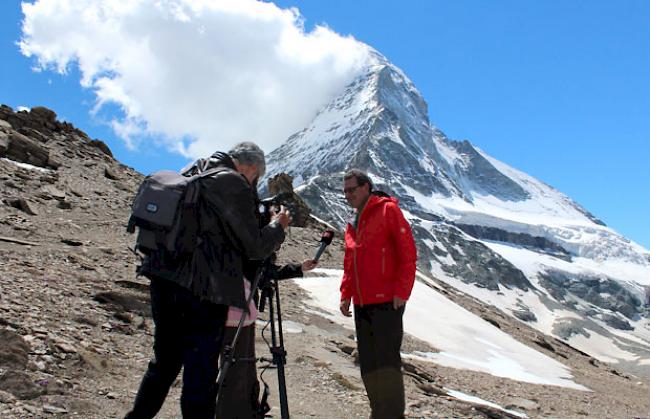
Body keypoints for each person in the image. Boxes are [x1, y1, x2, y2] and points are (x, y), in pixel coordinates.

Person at [124, 142, 290, 419]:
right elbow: (255, 246)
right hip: (204, 291)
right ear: (250, 168)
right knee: (199, 374)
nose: (253, 184)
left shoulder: (195, 170)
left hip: (165, 281)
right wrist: (277, 226)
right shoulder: (231, 182)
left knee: (163, 365)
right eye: (255, 178)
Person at [339, 169, 417, 419]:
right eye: (345, 191)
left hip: (386, 300)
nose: (348, 195)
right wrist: (346, 293)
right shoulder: (354, 220)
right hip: (363, 302)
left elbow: (408, 254)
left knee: (387, 361)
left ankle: (393, 415)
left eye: (352, 189)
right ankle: (378, 411)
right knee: (369, 362)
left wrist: (402, 291)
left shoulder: (388, 210)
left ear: (366, 187)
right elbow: (350, 261)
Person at [215, 256, 318, 418]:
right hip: (234, 308)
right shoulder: (246, 235)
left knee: (245, 363)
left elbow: (261, 270)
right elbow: (255, 265)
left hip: (243, 308)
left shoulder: (254, 236)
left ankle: (246, 410)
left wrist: (298, 268)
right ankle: (232, 412)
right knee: (236, 366)